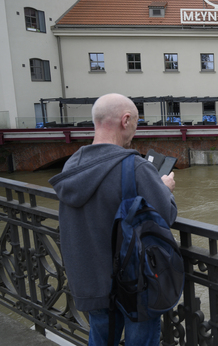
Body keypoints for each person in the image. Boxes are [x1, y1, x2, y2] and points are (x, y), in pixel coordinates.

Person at [49, 93, 177, 346]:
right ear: (125, 120)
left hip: (89, 281)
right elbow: (166, 215)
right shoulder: (135, 166)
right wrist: (165, 188)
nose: (135, 131)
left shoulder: (71, 166)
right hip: (134, 284)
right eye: (137, 123)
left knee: (100, 339)